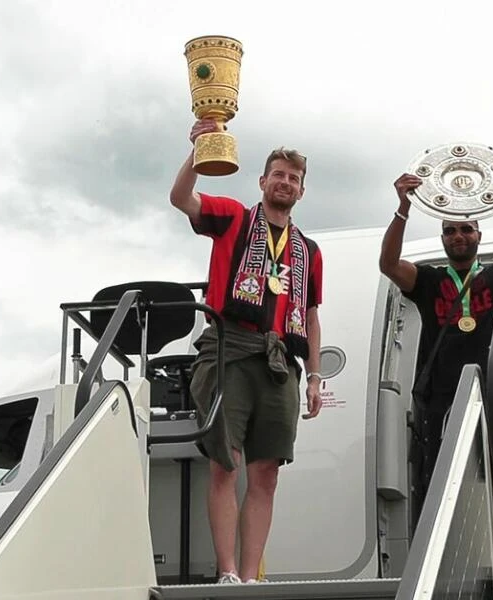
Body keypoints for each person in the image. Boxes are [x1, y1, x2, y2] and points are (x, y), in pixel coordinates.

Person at [170, 118, 324, 584]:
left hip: (281, 361)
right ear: (263, 181)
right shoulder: (235, 217)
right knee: (225, 462)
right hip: (228, 346)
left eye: (293, 179)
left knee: (267, 473)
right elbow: (181, 200)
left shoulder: (309, 250)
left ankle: (253, 577)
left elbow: (312, 316)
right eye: (278, 174)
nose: (285, 182)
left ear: (300, 192)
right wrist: (198, 149)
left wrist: (315, 376)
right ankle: (228, 572)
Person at [378, 171, 493, 526]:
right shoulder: (429, 279)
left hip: (487, 392)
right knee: (438, 476)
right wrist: (402, 209)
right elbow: (388, 264)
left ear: (479, 235)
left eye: (466, 230)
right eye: (450, 231)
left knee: (486, 474)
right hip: (440, 396)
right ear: (443, 237)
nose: (458, 236)